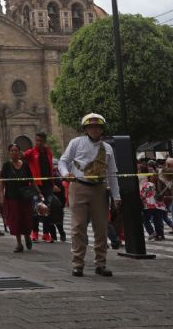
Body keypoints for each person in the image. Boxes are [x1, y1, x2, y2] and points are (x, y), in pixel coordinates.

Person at [58, 113, 122, 277]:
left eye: (97, 127)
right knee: (78, 226)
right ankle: (77, 263)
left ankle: (101, 263)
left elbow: (112, 173)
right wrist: (66, 173)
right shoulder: (76, 143)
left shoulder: (107, 148)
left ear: (102, 129)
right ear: (85, 129)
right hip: (79, 187)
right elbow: (63, 161)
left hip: (100, 189)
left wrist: (116, 196)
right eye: (91, 127)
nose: (94, 129)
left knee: (101, 228)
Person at [1, 144, 34, 252]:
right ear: (9, 153)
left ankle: (27, 236)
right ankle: (19, 243)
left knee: (26, 218)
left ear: (20, 152)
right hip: (12, 196)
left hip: (25, 197)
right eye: (12, 151)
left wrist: (38, 193)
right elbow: (2, 182)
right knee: (15, 220)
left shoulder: (25, 165)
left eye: (16, 150)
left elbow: (32, 180)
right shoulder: (6, 166)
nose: (14, 152)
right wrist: (1, 194)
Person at [24, 131, 55, 243]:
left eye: (41, 141)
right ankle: (35, 232)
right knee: (36, 209)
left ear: (44, 141)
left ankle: (46, 234)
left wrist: (53, 183)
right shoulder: (31, 152)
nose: (39, 143)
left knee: (47, 209)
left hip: (48, 185)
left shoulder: (48, 152)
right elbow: (22, 158)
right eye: (37, 140)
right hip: (36, 186)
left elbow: (50, 167)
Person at [141, 174, 165, 240]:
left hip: (148, 204)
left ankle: (152, 232)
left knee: (145, 220)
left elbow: (144, 194)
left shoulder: (148, 184)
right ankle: (160, 235)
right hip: (159, 205)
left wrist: (141, 197)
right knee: (157, 220)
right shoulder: (160, 183)